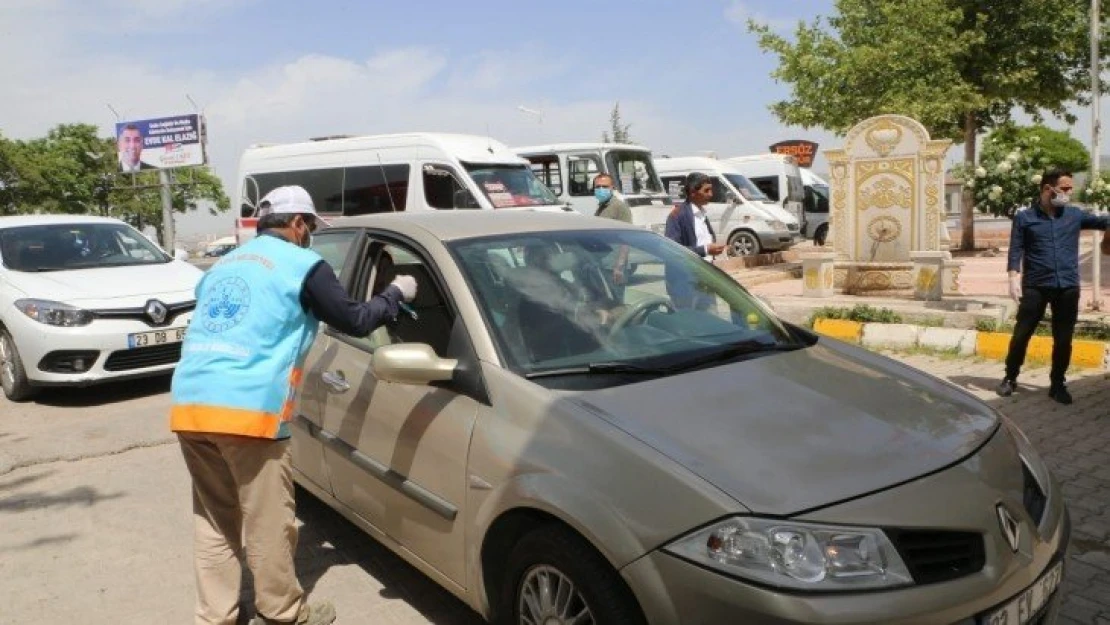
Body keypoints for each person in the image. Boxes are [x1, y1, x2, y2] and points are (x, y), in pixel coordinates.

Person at [169, 185, 418, 625]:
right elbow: (356, 320)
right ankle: (283, 613)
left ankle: (216, 616)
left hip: (190, 404)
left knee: (213, 519)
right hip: (247, 411)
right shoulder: (304, 265)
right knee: (268, 520)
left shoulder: (222, 265)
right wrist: (396, 293)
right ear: (299, 224)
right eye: (311, 228)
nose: (311, 237)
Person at [996, 169, 1110, 404]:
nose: (1070, 192)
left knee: (1063, 338)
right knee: (1021, 334)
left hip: (1067, 285)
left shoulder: (1074, 215)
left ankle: (1058, 383)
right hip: (1036, 285)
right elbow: (1016, 248)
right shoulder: (1025, 217)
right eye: (1066, 188)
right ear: (1048, 189)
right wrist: (1012, 277)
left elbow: (1105, 221)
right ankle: (1010, 377)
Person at [664, 172, 726, 310]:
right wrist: (705, 250)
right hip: (685, 283)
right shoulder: (677, 216)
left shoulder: (702, 214)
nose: (711, 194)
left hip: (706, 278)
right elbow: (672, 251)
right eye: (706, 190)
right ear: (693, 192)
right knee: (688, 323)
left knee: (711, 321)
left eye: (711, 189)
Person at [592, 173, 633, 293]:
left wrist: (619, 267)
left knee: (617, 302)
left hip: (614, 265)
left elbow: (626, 238)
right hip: (603, 263)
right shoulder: (602, 207)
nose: (600, 189)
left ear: (612, 188)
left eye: (604, 187)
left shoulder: (619, 207)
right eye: (597, 187)